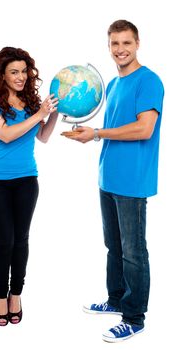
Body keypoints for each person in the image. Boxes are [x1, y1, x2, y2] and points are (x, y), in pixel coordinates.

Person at [62, 20, 164, 342]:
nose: (120, 49)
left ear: (137, 44)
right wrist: (86, 130)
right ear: (109, 47)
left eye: (126, 43)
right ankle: (116, 299)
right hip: (108, 177)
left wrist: (96, 134)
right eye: (115, 44)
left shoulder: (149, 81)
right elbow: (112, 126)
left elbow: (144, 128)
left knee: (134, 251)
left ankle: (134, 317)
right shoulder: (113, 84)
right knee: (114, 247)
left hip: (132, 181)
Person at [0, 47, 58, 326]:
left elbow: (44, 137)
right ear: (2, 74)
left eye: (24, 71)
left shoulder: (31, 102)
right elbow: (5, 134)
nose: (21, 77)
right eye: (14, 71)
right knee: (5, 240)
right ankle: (1, 296)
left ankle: (16, 294)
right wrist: (39, 115)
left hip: (27, 179)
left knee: (21, 239)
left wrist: (54, 114)